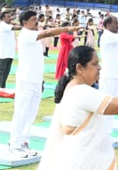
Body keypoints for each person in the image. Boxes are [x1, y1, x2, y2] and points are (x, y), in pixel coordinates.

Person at [9, 11, 82, 157]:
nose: (37, 22)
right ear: (25, 23)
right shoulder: (26, 35)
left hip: (35, 81)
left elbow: (36, 61)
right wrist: (67, 29)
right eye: (33, 20)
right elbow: (48, 32)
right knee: (21, 113)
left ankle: (24, 142)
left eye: (37, 19)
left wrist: (40, 81)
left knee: (31, 114)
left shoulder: (34, 37)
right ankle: (14, 144)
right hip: (25, 80)